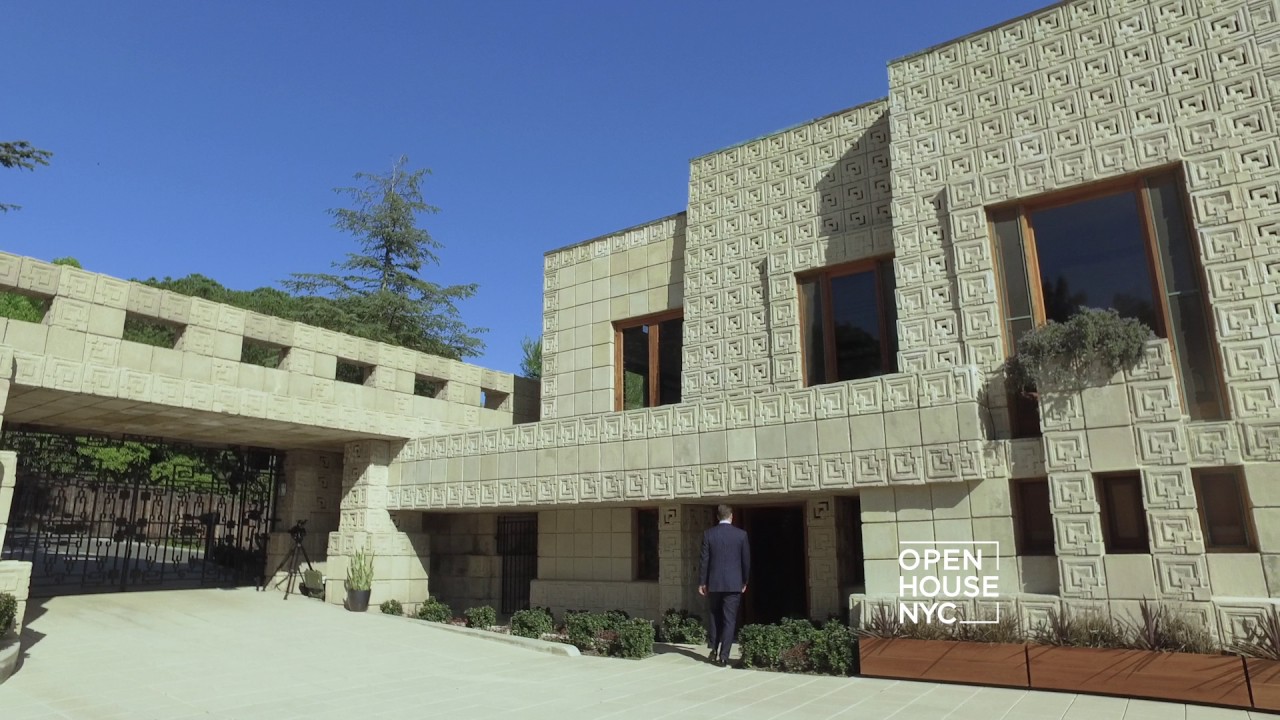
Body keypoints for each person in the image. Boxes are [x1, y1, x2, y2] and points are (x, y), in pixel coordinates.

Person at [699, 504, 750, 667]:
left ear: (717, 517)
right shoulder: (741, 535)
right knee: (729, 620)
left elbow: (704, 561)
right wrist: (745, 581)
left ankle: (713, 648)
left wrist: (702, 582)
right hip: (734, 583)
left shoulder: (709, 534)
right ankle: (724, 656)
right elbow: (745, 561)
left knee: (714, 616)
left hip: (714, 583)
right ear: (731, 516)